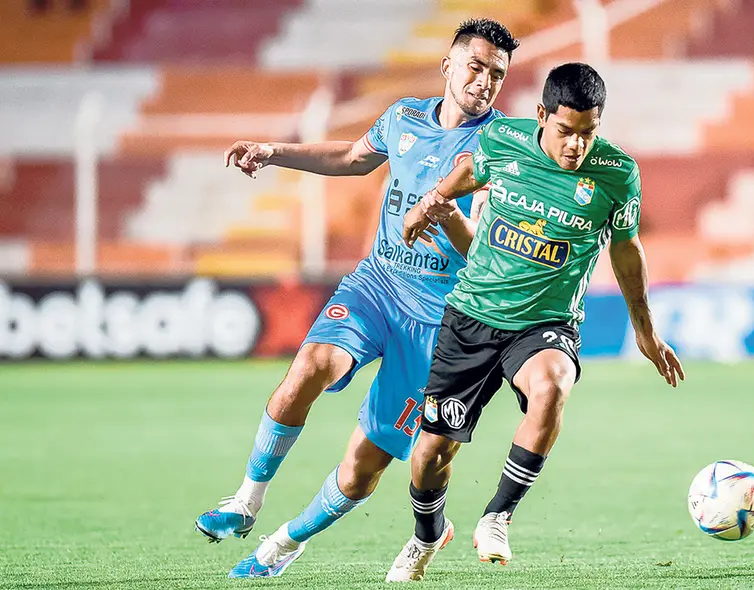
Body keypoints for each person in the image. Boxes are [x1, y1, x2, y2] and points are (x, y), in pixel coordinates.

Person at [192, 18, 519, 578]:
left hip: (440, 322)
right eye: (476, 66)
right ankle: (245, 501)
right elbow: (351, 158)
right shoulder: (404, 118)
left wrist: (450, 220)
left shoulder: (501, 146)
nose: (485, 81)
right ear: (448, 65)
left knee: (358, 471)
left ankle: (285, 543)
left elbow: (484, 256)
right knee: (311, 364)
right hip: (378, 285)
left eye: (496, 73)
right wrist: (273, 152)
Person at [384, 62, 685, 582]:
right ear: (542, 115)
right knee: (430, 453)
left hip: (546, 324)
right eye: (565, 132)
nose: (576, 147)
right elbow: (466, 173)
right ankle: (427, 535)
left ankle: (497, 516)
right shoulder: (502, 139)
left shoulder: (617, 174)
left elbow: (627, 250)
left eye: (588, 133)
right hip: (472, 317)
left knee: (552, 385)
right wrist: (433, 201)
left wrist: (645, 328)